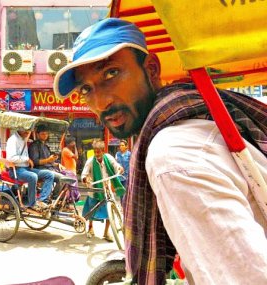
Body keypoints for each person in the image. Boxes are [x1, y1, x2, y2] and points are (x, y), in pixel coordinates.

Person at [53, 18, 267, 284]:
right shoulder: (196, 119)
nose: (101, 102)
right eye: (86, 89)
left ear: (151, 69)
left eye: (111, 73)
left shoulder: (174, 157)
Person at [81, 139, 125, 242]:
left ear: (103, 151)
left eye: (98, 152)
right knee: (91, 210)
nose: (97, 154)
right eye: (95, 152)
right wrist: (86, 179)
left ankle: (106, 232)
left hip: (107, 188)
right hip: (95, 189)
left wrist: (120, 168)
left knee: (110, 212)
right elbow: (84, 173)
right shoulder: (90, 161)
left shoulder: (108, 158)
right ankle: (90, 227)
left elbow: (116, 166)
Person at [6, 128, 54, 211]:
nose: (28, 132)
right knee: (33, 176)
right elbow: (11, 158)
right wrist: (26, 159)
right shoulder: (12, 140)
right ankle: (32, 204)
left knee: (49, 174)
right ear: (19, 128)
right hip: (16, 170)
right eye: (25, 130)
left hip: (26, 168)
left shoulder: (24, 139)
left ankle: (41, 200)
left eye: (29, 130)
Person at [28, 124, 64, 198]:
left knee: (69, 175)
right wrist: (48, 160)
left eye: (46, 134)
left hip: (49, 168)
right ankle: (52, 198)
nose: (45, 135)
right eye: (42, 134)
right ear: (37, 134)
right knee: (62, 178)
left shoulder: (46, 146)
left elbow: (49, 162)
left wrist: (56, 164)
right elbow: (35, 162)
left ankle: (61, 199)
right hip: (39, 169)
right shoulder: (34, 146)